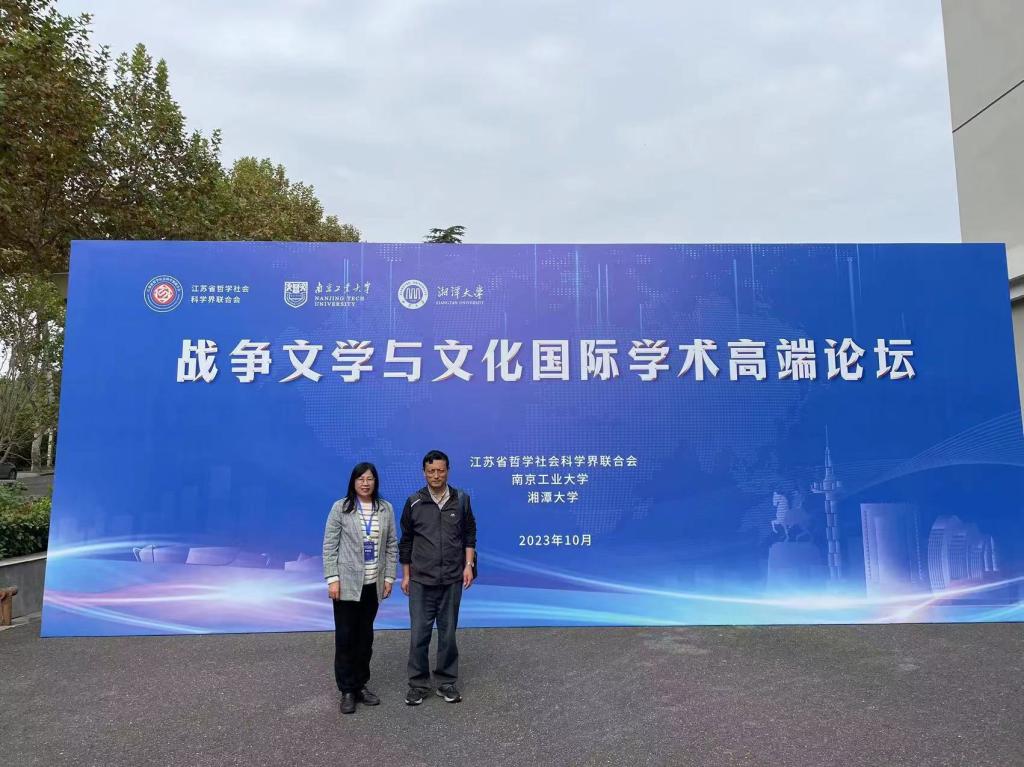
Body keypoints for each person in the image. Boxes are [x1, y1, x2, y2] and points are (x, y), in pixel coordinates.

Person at [400, 449, 477, 705]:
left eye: (440, 471)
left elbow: (469, 534)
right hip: (421, 580)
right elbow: (406, 541)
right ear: (424, 472)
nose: (436, 475)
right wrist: (406, 575)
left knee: (447, 634)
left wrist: (468, 565)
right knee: (419, 634)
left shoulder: (461, 500)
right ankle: (418, 684)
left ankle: (446, 682)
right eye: (431, 471)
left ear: (448, 471)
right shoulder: (414, 502)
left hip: (452, 578)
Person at [322, 462, 398, 714]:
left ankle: (361, 685)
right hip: (346, 584)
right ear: (353, 482)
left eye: (370, 479)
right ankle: (346, 689)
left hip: (372, 584)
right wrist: (332, 578)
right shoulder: (341, 507)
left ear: (376, 482)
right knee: (345, 638)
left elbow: (391, 546)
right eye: (361, 479)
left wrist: (389, 578)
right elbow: (329, 546)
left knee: (365, 638)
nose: (365, 483)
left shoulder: (385, 509)